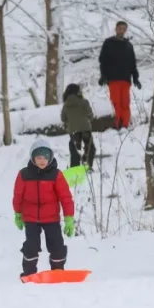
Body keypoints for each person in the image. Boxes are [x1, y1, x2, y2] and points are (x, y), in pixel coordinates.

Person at [13, 139, 76, 277]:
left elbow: (65, 197)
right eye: (39, 157)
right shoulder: (24, 175)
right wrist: (18, 213)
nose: (42, 161)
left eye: (45, 158)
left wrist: (69, 218)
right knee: (31, 246)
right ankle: (29, 273)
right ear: (33, 158)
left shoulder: (56, 175)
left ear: (50, 158)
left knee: (57, 246)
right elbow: (18, 195)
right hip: (31, 218)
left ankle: (58, 271)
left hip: (51, 218)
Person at [98, 21, 141, 129]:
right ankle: (117, 123)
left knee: (125, 102)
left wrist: (135, 77)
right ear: (116, 29)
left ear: (126, 30)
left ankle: (125, 124)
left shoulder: (129, 45)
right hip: (113, 79)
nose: (122, 30)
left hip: (125, 79)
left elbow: (132, 63)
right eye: (120, 28)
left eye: (124, 29)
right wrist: (103, 75)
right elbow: (103, 60)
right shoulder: (108, 43)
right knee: (116, 102)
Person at [60, 83, 97, 170]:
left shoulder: (66, 104)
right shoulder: (84, 102)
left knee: (75, 149)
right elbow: (90, 115)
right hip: (85, 129)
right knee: (89, 148)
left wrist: (70, 121)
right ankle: (88, 165)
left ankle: (75, 168)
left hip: (73, 130)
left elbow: (63, 118)